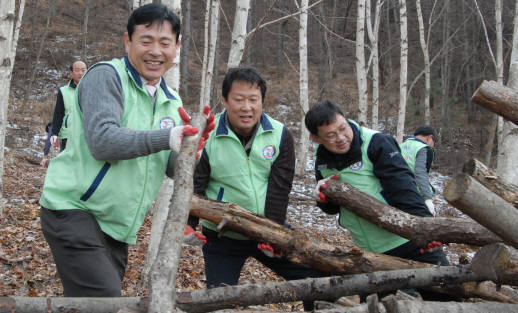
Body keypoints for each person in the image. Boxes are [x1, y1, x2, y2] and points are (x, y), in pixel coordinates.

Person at [39, 3, 213, 297]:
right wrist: (166, 137)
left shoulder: (171, 100)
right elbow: (103, 141)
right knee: (105, 301)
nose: (155, 51)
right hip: (75, 210)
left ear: (177, 47)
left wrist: (190, 152)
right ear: (128, 41)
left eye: (164, 43)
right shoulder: (106, 76)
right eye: (146, 41)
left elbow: (169, 166)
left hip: (117, 226)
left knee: (91, 304)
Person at [189, 67, 321, 311]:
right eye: (238, 100)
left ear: (262, 101)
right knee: (219, 302)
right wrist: (190, 224)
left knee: (316, 281)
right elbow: (197, 184)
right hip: (221, 235)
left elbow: (280, 188)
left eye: (253, 100)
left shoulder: (280, 134)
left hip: (266, 228)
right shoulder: (209, 135)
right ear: (225, 100)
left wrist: (272, 232)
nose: (246, 107)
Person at [305, 100, 448, 268]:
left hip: (407, 241)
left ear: (345, 119)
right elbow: (334, 208)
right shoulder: (322, 161)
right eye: (330, 135)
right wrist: (323, 199)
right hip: (369, 251)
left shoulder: (376, 143)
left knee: (445, 289)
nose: (341, 138)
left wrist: (426, 231)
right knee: (385, 295)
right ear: (316, 138)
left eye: (343, 128)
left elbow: (404, 188)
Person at [50, 60, 88, 151]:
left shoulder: (94, 90)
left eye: (83, 70)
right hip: (68, 136)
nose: (80, 73)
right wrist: (54, 133)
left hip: (88, 136)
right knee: (67, 164)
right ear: (71, 73)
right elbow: (58, 114)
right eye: (77, 70)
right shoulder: (63, 91)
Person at [400, 126, 437, 217]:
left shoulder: (400, 145)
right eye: (434, 143)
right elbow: (420, 173)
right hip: (413, 194)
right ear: (429, 138)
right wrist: (428, 199)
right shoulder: (422, 148)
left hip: (396, 191)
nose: (433, 146)